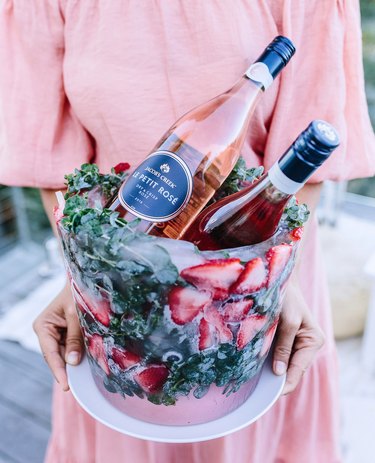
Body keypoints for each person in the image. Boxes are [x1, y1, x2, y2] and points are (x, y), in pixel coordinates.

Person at [0, 1, 374, 462]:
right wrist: (84, 278)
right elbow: (52, 163)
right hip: (119, 286)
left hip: (254, 277)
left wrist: (272, 285)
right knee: (132, 421)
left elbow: (308, 160)